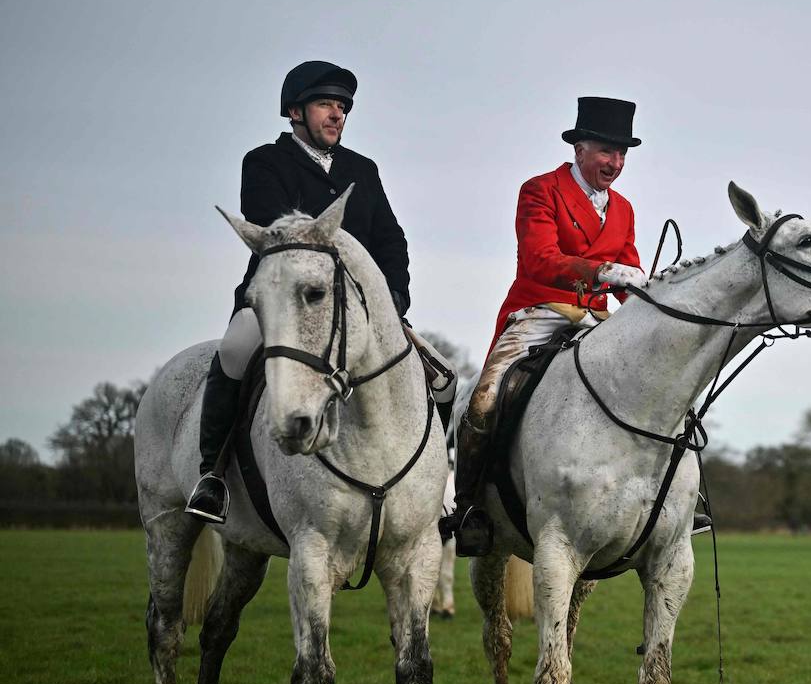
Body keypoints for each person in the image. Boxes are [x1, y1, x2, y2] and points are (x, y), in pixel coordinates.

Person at [186, 60, 453, 522]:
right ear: (295, 112)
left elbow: (391, 239)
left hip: (360, 310)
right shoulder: (264, 162)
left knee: (444, 379)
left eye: (342, 108)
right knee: (234, 350)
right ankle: (212, 474)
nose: (337, 115)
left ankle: (435, 484)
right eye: (326, 105)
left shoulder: (362, 169)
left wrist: (394, 298)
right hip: (285, 304)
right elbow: (279, 230)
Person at [440, 96, 651, 555]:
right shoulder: (540, 190)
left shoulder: (624, 209)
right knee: (483, 400)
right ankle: (469, 505)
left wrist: (650, 302)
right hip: (539, 311)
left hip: (597, 319)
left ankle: (662, 502)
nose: (615, 163)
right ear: (579, 149)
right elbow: (539, 259)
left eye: (621, 154)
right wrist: (602, 271)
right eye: (606, 151)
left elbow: (629, 277)